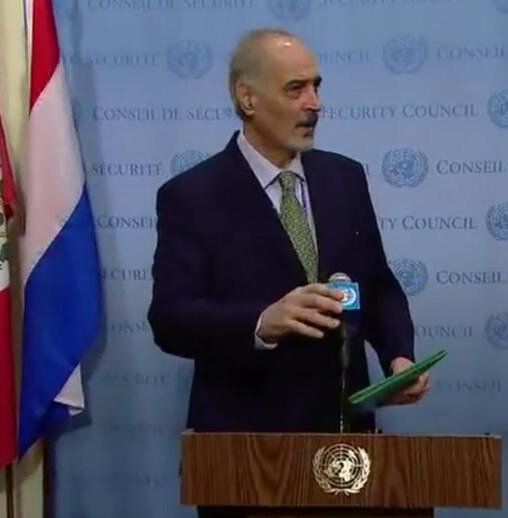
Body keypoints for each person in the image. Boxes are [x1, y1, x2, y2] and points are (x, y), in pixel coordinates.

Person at [148, 29, 429, 513]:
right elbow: (170, 319)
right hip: (244, 453)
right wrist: (261, 322)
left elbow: (377, 285)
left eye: (316, 86)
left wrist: (400, 358)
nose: (314, 103)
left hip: (346, 448)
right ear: (248, 98)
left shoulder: (344, 178)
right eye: (295, 89)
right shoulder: (192, 196)